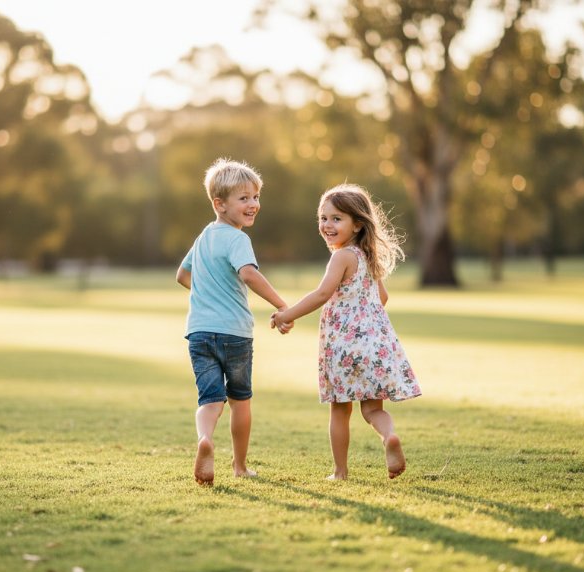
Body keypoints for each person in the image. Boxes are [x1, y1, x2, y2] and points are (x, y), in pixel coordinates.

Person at [272, 184, 421, 480]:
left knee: (340, 411)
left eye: (336, 218)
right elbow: (383, 298)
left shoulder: (341, 258)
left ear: (357, 224)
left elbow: (321, 294)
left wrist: (286, 315)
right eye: (323, 217)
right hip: (374, 345)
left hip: (342, 346)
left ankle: (340, 472)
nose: (327, 224)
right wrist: (366, 316)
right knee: (372, 411)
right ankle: (389, 435)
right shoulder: (368, 259)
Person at [176, 158, 291, 486]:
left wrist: (206, 295)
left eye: (255, 197)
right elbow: (249, 275)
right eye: (244, 198)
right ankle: (239, 466)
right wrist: (283, 305)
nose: (253, 204)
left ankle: (204, 439)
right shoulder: (238, 239)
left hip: (199, 332)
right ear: (220, 204)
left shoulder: (204, 237)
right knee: (240, 400)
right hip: (235, 334)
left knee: (210, 399)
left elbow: (182, 275)